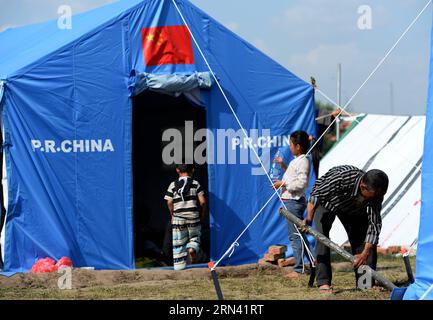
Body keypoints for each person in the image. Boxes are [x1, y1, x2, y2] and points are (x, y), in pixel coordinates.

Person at [302, 165, 389, 293]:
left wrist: (364, 253)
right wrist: (308, 219)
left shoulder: (376, 194)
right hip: (328, 202)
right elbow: (317, 195)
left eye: (379, 196)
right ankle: (323, 282)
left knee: (363, 240)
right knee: (322, 238)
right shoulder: (342, 177)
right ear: (363, 187)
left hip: (353, 209)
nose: (377, 199)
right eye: (373, 196)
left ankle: (365, 284)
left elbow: (374, 225)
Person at [272, 131, 319, 278]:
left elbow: (301, 183)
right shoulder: (297, 160)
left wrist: (282, 183)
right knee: (299, 235)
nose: (290, 146)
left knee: (295, 236)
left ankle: (299, 270)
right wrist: (283, 165)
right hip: (290, 201)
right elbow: (294, 176)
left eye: (291, 144)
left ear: (298, 146)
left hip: (294, 202)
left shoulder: (303, 160)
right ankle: (313, 261)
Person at [164, 163, 206, 271]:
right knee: (195, 237)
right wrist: (202, 214)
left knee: (179, 242)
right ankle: (192, 248)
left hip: (178, 218)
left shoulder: (173, 185)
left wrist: (172, 213)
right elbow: (202, 202)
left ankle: (179, 267)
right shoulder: (195, 184)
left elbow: (169, 201)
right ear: (193, 170)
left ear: (177, 170)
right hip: (193, 216)